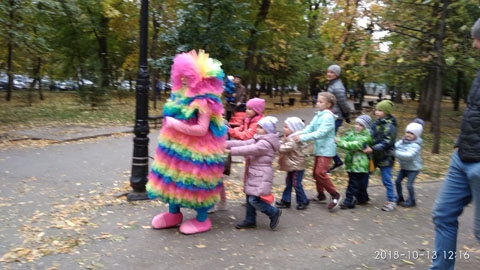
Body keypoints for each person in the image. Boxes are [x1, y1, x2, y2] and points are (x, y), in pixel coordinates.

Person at [146, 50, 227, 235]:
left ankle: (201, 218)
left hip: (197, 150)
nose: (183, 80)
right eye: (181, 76)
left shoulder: (205, 101)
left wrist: (175, 124)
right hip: (175, 149)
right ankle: (174, 213)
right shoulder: (180, 95)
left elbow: (201, 129)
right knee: (172, 178)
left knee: (196, 182)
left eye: (188, 77)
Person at [430, 18, 480, 269]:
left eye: (477, 39)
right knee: (443, 215)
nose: (474, 45)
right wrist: (460, 142)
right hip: (463, 158)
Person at [226, 116, 282, 230]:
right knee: (249, 196)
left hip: (261, 174)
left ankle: (273, 212)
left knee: (253, 199)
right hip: (254, 172)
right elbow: (244, 144)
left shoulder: (265, 143)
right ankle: (250, 220)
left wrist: (230, 151)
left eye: (261, 128)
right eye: (258, 126)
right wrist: (226, 144)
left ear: (268, 130)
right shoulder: (259, 138)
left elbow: (250, 149)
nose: (257, 129)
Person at [293, 92, 342, 211]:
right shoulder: (319, 115)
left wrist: (303, 138)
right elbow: (310, 128)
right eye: (317, 101)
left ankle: (335, 194)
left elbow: (321, 133)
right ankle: (321, 195)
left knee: (320, 172)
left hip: (327, 149)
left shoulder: (328, 117)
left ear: (328, 104)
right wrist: (297, 133)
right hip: (319, 149)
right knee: (316, 173)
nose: (317, 103)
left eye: (321, 102)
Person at [363, 100, 398, 212]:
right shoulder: (376, 123)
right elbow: (370, 135)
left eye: (379, 110)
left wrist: (372, 148)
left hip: (385, 157)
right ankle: (362, 197)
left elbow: (387, 143)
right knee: (365, 175)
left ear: (386, 112)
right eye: (376, 109)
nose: (376, 112)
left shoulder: (390, 126)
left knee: (386, 179)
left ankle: (391, 201)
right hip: (374, 157)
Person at [335, 114, 373, 209]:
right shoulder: (353, 133)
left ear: (365, 127)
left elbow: (354, 145)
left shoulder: (365, 137)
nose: (357, 126)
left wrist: (338, 142)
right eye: (356, 124)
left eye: (361, 125)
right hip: (351, 164)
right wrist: (339, 139)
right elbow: (346, 139)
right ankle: (362, 198)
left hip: (359, 166)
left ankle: (349, 201)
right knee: (358, 183)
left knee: (353, 184)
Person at [275, 117, 309, 210]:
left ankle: (303, 200)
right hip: (292, 165)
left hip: (297, 166)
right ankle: (286, 200)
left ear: (294, 129)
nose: (284, 129)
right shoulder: (288, 138)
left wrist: (274, 145)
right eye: (284, 126)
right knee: (289, 182)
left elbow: (283, 148)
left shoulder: (293, 140)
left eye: (287, 127)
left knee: (296, 184)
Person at [326, 64, 352, 173]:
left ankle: (337, 161)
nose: (329, 74)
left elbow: (343, 103)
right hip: (331, 116)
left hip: (336, 117)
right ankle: (336, 161)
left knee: (329, 141)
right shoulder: (333, 84)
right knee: (328, 140)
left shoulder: (338, 86)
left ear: (337, 74)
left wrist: (347, 115)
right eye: (328, 71)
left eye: (332, 72)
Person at [394, 121, 423, 208]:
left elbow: (409, 155)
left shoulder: (416, 145)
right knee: (397, 181)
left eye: (412, 133)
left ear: (416, 135)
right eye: (407, 132)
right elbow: (395, 146)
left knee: (409, 184)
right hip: (404, 167)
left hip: (413, 169)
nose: (409, 135)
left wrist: (394, 153)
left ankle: (412, 200)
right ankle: (400, 197)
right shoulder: (402, 141)